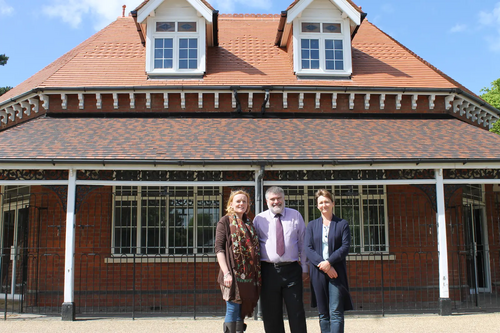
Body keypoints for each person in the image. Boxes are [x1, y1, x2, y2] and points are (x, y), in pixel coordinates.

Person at [253, 186, 308, 333]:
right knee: (271, 314)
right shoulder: (259, 219)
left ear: (284, 199)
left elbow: (303, 243)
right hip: (268, 271)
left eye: (279, 198)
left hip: (292, 270)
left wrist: (305, 267)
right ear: (266, 201)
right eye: (272, 199)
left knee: (296, 311)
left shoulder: (295, 215)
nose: (276, 201)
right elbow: (254, 245)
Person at [305, 189, 353, 333]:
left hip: (336, 272)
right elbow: (308, 248)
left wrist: (329, 262)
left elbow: (345, 247)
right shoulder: (312, 226)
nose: (324, 205)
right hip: (318, 272)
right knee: (323, 313)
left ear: (332, 203)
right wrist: (324, 265)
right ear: (317, 205)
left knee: (336, 312)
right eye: (320, 202)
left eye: (326, 201)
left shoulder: (342, 224)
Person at [215, 189, 261, 333]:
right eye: (238, 201)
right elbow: (219, 249)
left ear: (248, 204)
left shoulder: (249, 223)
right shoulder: (225, 222)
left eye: (244, 201)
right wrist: (227, 273)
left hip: (247, 275)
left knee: (241, 311)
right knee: (233, 308)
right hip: (232, 274)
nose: (241, 203)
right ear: (231, 204)